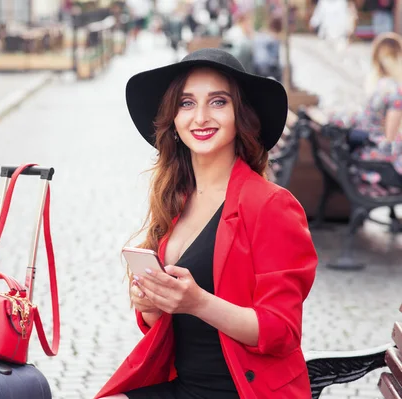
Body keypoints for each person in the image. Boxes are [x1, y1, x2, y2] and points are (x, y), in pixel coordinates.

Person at [95, 48, 318, 399]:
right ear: (173, 118)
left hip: (246, 391)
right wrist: (153, 305)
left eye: (217, 102)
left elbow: (282, 330)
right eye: (186, 103)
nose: (200, 117)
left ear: (239, 115)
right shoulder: (177, 200)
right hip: (185, 387)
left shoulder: (272, 205)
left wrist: (198, 302)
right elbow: (176, 328)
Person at [325, 32, 402, 195]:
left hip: (360, 155)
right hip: (373, 160)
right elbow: (389, 139)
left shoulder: (380, 85)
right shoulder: (396, 91)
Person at [252, 15, 283, 82]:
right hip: (268, 67)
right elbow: (275, 58)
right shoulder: (274, 39)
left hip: (256, 66)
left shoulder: (260, 34)